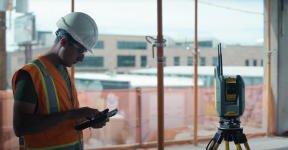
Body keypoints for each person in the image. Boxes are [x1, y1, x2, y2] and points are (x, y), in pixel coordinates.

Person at [12, 12, 108, 150]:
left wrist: (85, 118)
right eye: (80, 51)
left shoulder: (63, 71)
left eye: (85, 52)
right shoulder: (30, 75)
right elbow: (20, 127)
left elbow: (60, 117)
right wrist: (73, 114)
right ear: (63, 42)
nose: (81, 59)